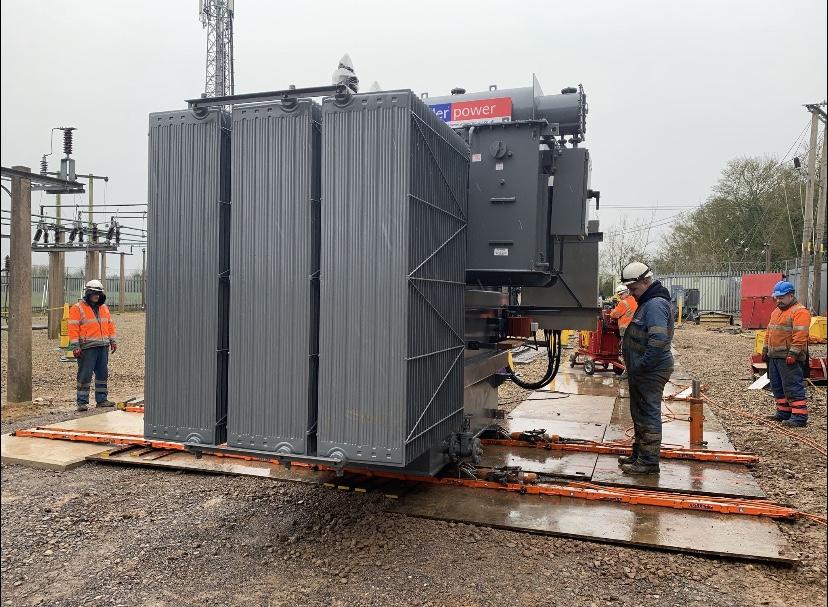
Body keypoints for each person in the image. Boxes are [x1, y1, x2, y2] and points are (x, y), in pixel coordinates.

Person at [617, 262, 674, 475]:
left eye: (634, 288)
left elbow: (658, 340)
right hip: (643, 369)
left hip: (651, 370)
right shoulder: (648, 301)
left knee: (648, 413)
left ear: (646, 281)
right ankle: (639, 454)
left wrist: (643, 366)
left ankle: (648, 462)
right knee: (639, 411)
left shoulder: (655, 304)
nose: (631, 293)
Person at [763, 280, 810, 427]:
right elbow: (769, 331)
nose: (778, 301)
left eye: (781, 297)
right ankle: (783, 412)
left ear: (791, 295)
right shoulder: (776, 312)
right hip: (775, 356)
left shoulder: (800, 311)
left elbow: (800, 334)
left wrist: (793, 353)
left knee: (792, 386)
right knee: (777, 386)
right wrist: (765, 349)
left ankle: (799, 417)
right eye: (777, 298)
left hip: (788, 357)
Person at [68, 280, 117, 411]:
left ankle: (102, 400)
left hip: (103, 345)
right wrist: (75, 346)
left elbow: (110, 325)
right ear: (88, 293)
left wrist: (113, 341)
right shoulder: (77, 308)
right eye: (94, 293)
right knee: (85, 375)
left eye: (99, 294)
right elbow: (73, 328)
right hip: (87, 347)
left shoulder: (104, 308)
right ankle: (82, 402)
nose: (97, 296)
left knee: (102, 374)